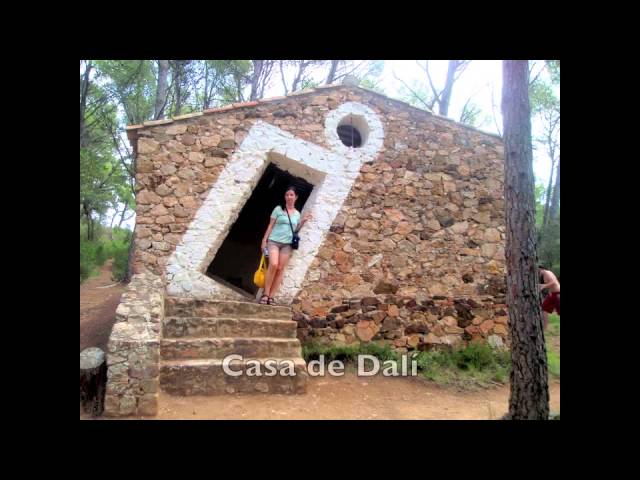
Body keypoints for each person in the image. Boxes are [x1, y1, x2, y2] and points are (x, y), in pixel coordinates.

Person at [259, 186, 313, 305]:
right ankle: (265, 294)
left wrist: (302, 221)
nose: (289, 197)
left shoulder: (297, 214)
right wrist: (264, 240)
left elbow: (295, 229)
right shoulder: (278, 210)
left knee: (280, 269)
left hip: (287, 245)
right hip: (274, 241)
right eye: (287, 195)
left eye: (291, 195)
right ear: (285, 197)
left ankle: (271, 296)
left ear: (296, 197)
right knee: (273, 264)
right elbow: (270, 226)